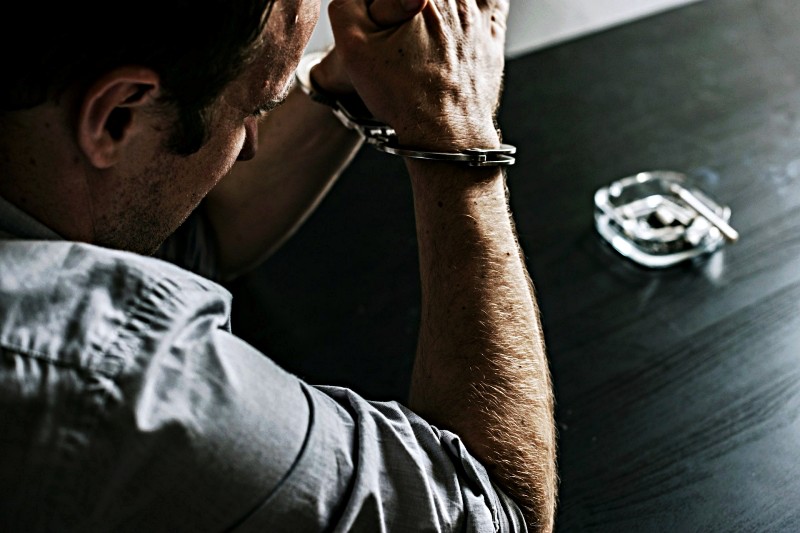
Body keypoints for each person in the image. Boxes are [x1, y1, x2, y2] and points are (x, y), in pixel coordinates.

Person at [0, 0, 557, 530]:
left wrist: (358, 78)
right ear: (118, 115)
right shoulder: (109, 378)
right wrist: (456, 135)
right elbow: (495, 513)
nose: (249, 147)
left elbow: (186, 229)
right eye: (255, 108)